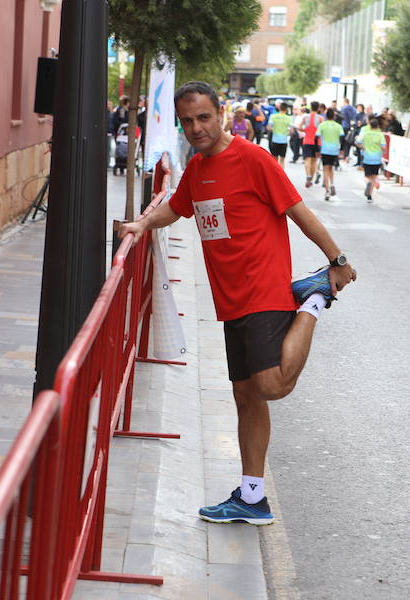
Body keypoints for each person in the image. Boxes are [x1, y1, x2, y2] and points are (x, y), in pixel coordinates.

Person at [118, 81, 356, 525]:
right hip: (229, 300)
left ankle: (314, 298)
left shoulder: (253, 158)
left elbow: (297, 210)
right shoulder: (198, 168)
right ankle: (251, 497)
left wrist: (336, 261)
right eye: (187, 121)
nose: (196, 128)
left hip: (263, 289)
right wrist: (141, 224)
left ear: (221, 113)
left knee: (272, 385)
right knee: (246, 398)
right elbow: (177, 207)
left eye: (203, 117)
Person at [356, 118, 387, 203]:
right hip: (376, 158)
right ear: (377, 126)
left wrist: (363, 147)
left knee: (367, 176)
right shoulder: (380, 134)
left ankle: (368, 183)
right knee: (374, 176)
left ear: (370, 125)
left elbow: (357, 142)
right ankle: (369, 196)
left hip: (367, 157)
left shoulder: (366, 133)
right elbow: (384, 146)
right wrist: (382, 151)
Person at [317, 108, 344, 201]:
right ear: (334, 116)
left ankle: (327, 190)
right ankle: (332, 184)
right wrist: (342, 149)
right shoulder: (338, 126)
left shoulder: (322, 125)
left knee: (325, 169)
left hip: (325, 149)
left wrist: (317, 149)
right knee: (331, 168)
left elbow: (316, 137)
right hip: (334, 150)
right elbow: (342, 138)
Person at [299, 101, 324, 188]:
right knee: (314, 161)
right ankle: (311, 179)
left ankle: (308, 176)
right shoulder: (320, 118)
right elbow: (322, 130)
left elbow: (299, 127)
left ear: (310, 108)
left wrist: (305, 130)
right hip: (317, 142)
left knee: (307, 160)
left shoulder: (305, 117)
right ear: (318, 108)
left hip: (307, 141)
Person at [268, 102, 292, 166]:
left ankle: (275, 173)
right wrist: (287, 132)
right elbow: (291, 130)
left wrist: (275, 130)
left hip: (275, 140)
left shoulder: (273, 116)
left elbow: (269, 128)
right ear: (286, 109)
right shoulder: (289, 118)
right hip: (284, 140)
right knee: (282, 159)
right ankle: (281, 174)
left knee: (275, 159)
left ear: (279, 108)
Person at [339, 97, 357, 164]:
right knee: (348, 142)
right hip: (350, 127)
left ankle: (344, 156)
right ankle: (347, 156)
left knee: (343, 142)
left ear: (344, 102)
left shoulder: (343, 109)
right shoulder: (353, 109)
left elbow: (342, 117)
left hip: (344, 126)